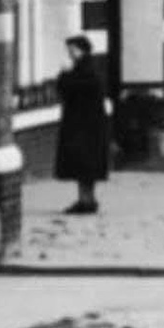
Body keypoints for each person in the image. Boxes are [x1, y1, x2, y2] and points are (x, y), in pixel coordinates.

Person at [54, 35, 110, 214]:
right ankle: (87, 199)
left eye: (72, 49)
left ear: (81, 50)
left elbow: (68, 90)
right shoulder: (89, 68)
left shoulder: (83, 70)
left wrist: (63, 74)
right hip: (90, 125)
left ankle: (85, 201)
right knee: (86, 165)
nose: (70, 53)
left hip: (83, 127)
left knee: (82, 164)